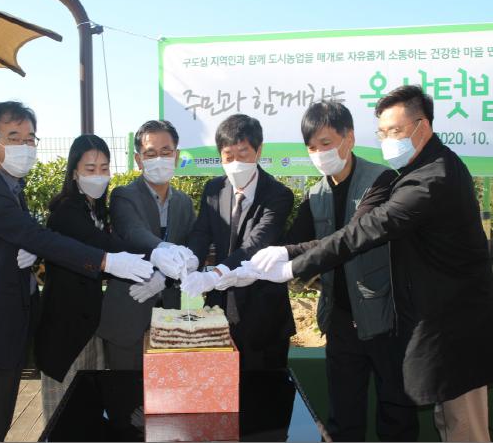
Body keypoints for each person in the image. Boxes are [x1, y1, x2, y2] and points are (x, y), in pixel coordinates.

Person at [243, 86, 493, 442]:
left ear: (422, 126)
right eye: (383, 133)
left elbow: (364, 230)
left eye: (396, 131)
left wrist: (293, 266)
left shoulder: (428, 178)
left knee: (461, 426)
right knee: (435, 421)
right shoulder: (412, 170)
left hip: (450, 326)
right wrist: (279, 255)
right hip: (406, 321)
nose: (389, 140)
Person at [0, 102, 153, 442]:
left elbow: (19, 236)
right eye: (14, 137)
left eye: (30, 138)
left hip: (9, 327)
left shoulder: (11, 185)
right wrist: (108, 261)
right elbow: (39, 237)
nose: (25, 146)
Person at [255, 101, 418, 441]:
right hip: (340, 317)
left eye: (326, 143)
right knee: (343, 415)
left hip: (385, 316)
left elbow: (350, 237)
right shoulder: (315, 194)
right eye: (312, 147)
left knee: (396, 412)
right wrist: (247, 264)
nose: (319, 154)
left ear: (350, 138)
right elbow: (294, 240)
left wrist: (288, 256)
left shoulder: (381, 181)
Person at [180, 113, 295, 369]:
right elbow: (201, 232)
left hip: (263, 315)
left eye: (243, 154)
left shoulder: (278, 195)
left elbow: (256, 243)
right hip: (219, 312)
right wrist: (191, 259)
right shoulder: (213, 190)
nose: (235, 163)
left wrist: (215, 274)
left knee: (262, 389)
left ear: (258, 151)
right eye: (228, 156)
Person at [34, 135, 133, 422]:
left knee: (89, 412)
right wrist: (155, 255)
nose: (98, 175)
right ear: (74, 172)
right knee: (64, 417)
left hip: (89, 327)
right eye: (90, 169)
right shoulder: (66, 212)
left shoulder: (96, 208)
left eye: (104, 168)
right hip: (65, 332)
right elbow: (103, 247)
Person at [96, 120, 197, 369]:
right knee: (125, 389)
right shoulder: (123, 195)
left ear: (176, 156)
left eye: (166, 152)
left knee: (166, 386)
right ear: (139, 160)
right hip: (127, 314)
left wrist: (166, 277)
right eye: (151, 153)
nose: (159, 159)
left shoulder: (184, 203)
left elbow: (191, 250)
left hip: (170, 317)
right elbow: (133, 231)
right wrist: (163, 250)